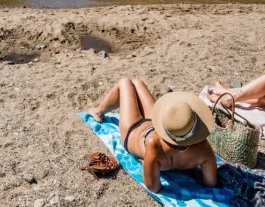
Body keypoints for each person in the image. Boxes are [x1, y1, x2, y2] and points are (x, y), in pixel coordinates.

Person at [90, 78, 218, 193]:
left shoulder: (153, 143)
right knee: (137, 82)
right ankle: (100, 110)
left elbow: (153, 186)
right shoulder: (204, 148)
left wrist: (148, 163)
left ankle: (99, 111)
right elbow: (211, 182)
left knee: (125, 82)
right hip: (159, 128)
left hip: (134, 132)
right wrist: (191, 170)